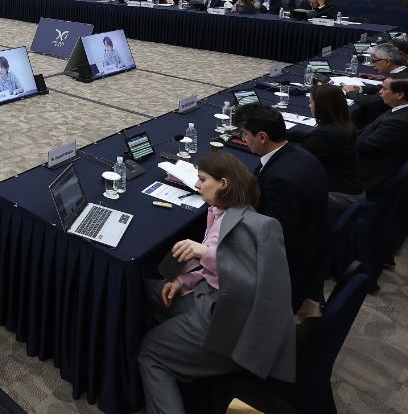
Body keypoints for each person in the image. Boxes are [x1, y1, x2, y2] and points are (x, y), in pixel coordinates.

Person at [138, 151, 295, 414]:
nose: (197, 186)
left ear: (223, 183)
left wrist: (204, 252)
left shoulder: (259, 226)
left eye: (202, 179)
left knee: (150, 353)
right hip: (206, 295)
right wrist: (183, 280)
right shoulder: (222, 212)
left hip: (228, 321)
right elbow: (215, 269)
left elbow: (251, 282)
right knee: (149, 291)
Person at [235, 103, 329, 307]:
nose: (243, 139)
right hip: (313, 238)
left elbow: (276, 237)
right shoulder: (299, 154)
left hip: (293, 266)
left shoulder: (280, 180)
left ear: (262, 137)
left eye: (244, 134)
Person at [355, 75, 408, 193]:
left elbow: (363, 147)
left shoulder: (399, 122)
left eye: (384, 89)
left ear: (399, 95)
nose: (380, 92)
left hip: (370, 172)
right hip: (385, 160)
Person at [297, 84, 365, 213]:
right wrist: (282, 133)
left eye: (311, 102)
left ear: (322, 106)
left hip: (344, 197)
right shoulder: (341, 123)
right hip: (351, 187)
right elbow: (309, 138)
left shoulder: (327, 134)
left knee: (285, 191)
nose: (309, 106)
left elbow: (297, 156)